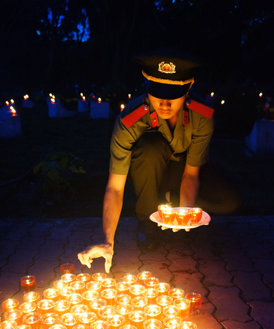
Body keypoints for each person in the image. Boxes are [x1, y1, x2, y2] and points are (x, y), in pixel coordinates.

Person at [78, 50, 239, 272]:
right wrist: (108, 240)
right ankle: (147, 220)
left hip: (182, 172)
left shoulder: (201, 116)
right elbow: (115, 188)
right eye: (157, 93)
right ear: (147, 87)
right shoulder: (130, 121)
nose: (164, 103)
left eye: (173, 94)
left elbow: (191, 174)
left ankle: (168, 203)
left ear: (189, 88)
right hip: (149, 170)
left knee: (228, 201)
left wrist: (184, 214)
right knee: (150, 147)